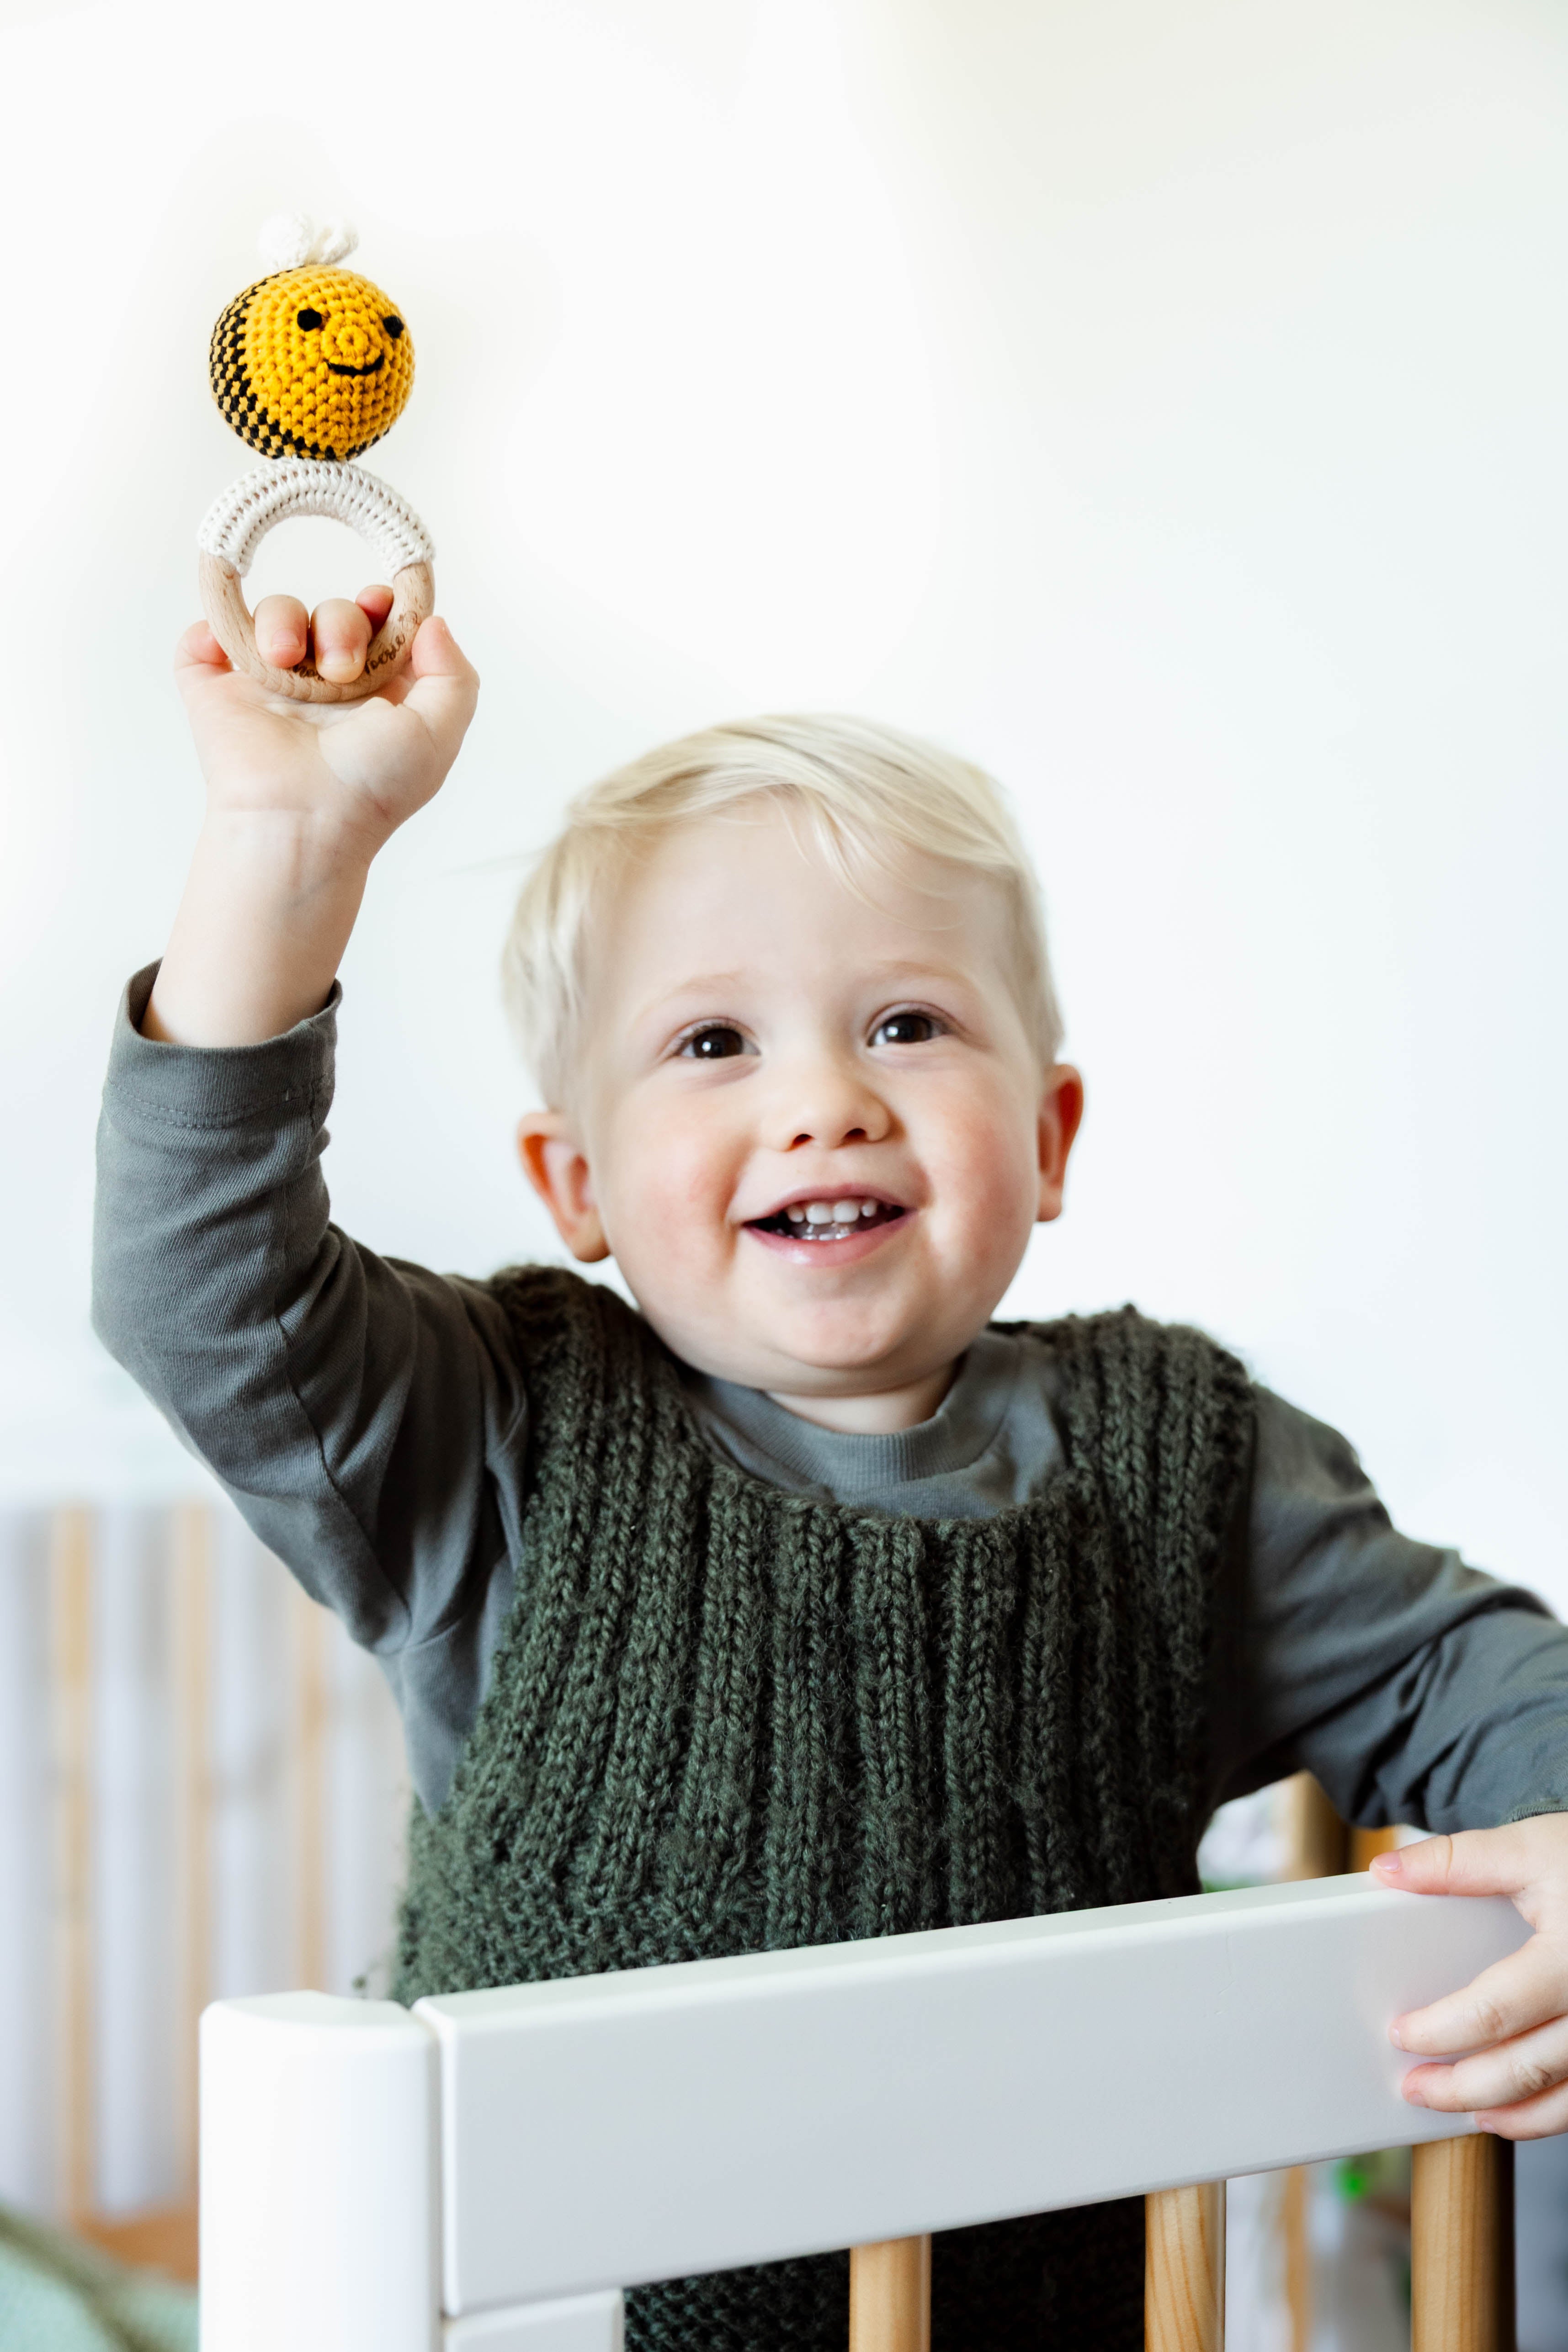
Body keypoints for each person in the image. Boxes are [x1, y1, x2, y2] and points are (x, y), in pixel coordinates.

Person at [92, 586, 1568, 2350]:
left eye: (908, 1025)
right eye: (714, 1044)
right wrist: (285, 840)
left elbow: (1479, 1687)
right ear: (574, 1185)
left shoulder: (1196, 1468)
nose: (825, 1103)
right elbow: (202, 1290)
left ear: (1049, 1132)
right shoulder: (493, 1436)